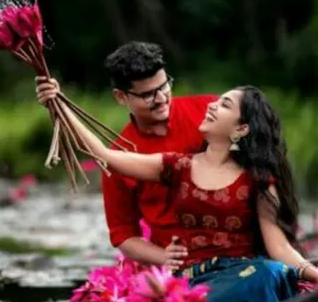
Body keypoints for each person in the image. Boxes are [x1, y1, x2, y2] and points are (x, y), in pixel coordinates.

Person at [35, 80, 318, 302]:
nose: (211, 105)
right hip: (191, 283)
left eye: (224, 105)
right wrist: (58, 104)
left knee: (269, 272)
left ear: (241, 129)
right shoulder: (178, 166)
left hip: (244, 277)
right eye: (217, 101)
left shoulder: (259, 181)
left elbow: (279, 248)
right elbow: (106, 156)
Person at [37, 42, 218, 269]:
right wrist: (168, 259)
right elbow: (123, 235)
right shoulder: (119, 156)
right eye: (148, 95)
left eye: (164, 86)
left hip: (232, 246)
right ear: (121, 97)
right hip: (179, 264)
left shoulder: (211, 111)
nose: (161, 99)